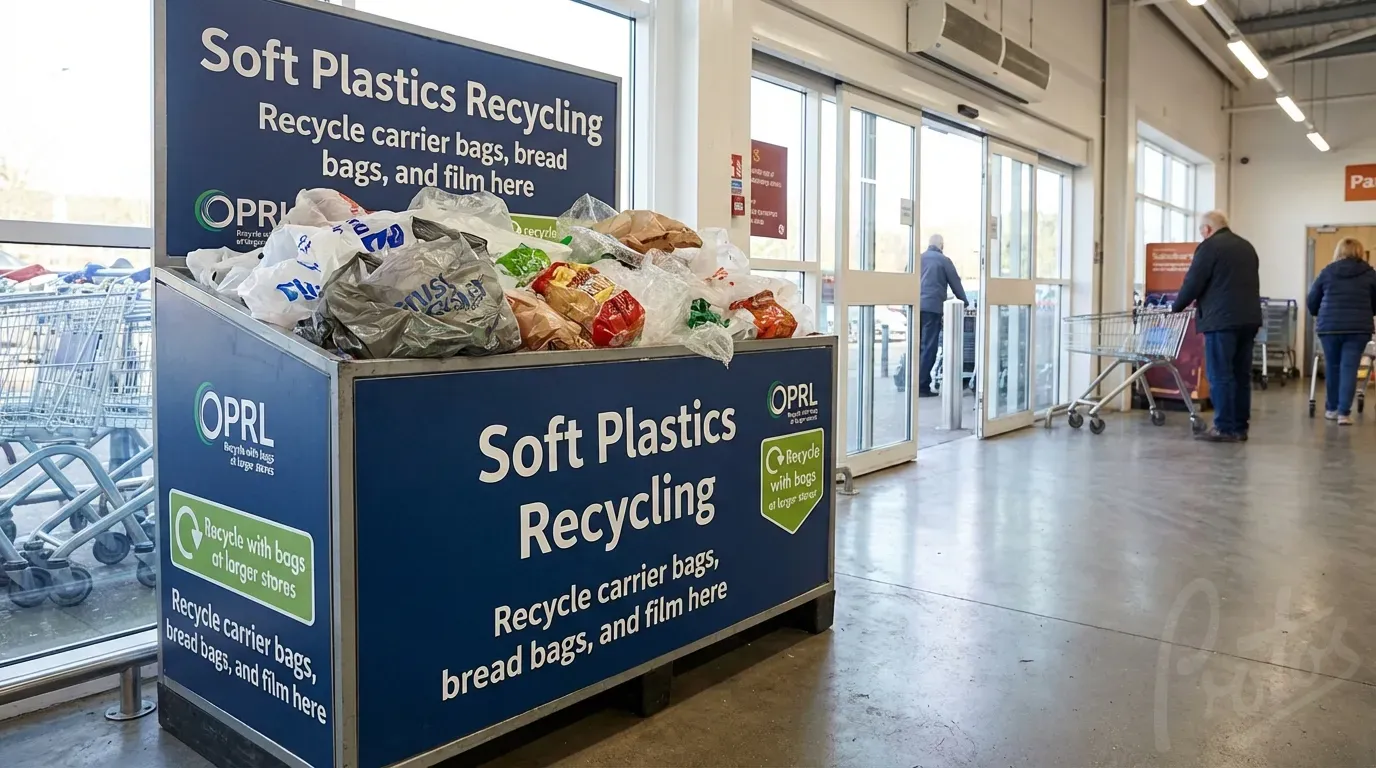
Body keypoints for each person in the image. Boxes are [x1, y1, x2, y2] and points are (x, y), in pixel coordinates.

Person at [1170, 211, 1263, 442]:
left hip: (1221, 321)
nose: (1202, 235)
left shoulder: (1209, 247)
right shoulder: (1247, 247)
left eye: (1202, 231)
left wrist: (1176, 307)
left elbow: (1194, 281)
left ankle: (1223, 427)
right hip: (1249, 319)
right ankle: (1240, 427)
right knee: (1241, 374)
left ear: (1208, 230)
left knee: (1220, 373)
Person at [1306, 237, 1376, 426]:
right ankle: (1344, 413)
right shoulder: (1370, 274)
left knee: (1333, 367)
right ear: (1360, 252)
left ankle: (1331, 409)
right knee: (1349, 368)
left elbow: (1312, 299)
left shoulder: (1327, 272)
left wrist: (1318, 313)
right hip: (1358, 328)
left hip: (1329, 328)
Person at [918, 234, 968, 397]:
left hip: (914, 306)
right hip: (932, 308)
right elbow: (955, 282)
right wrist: (964, 302)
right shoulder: (943, 261)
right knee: (929, 346)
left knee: (916, 346)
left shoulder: (917, 259)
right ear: (941, 245)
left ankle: (912, 384)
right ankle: (922, 386)